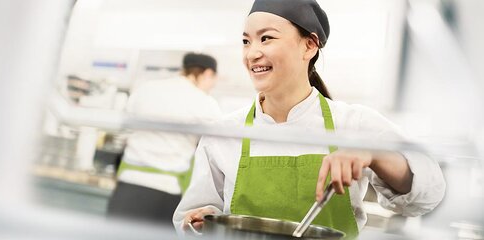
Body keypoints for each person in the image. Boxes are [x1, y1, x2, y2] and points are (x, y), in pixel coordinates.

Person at [173, 0, 446, 237]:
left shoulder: (354, 123)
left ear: (309, 46)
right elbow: (193, 213)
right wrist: (202, 219)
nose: (252, 52)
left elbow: (429, 192)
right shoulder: (223, 132)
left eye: (266, 38)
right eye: (246, 41)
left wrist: (373, 153)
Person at [107, 52, 222, 226]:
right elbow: (218, 146)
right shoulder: (205, 104)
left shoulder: (146, 89)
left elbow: (127, 126)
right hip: (165, 192)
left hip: (128, 185)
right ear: (207, 74)